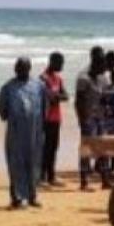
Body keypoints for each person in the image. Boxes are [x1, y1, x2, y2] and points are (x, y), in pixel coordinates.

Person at [0, 58, 46, 210]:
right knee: (16, 164)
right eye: (18, 67)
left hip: (34, 132)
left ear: (29, 69)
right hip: (16, 133)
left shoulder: (39, 86)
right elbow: (1, 108)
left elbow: (44, 107)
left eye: (23, 68)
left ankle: (32, 196)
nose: (20, 70)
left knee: (34, 163)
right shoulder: (8, 87)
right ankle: (17, 198)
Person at [75, 47, 108, 191]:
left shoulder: (102, 78)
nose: (105, 68)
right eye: (103, 64)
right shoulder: (83, 78)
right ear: (95, 62)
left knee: (104, 148)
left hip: (100, 117)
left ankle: (105, 179)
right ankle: (84, 181)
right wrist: (82, 121)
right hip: (88, 118)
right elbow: (79, 101)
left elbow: (105, 96)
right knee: (86, 149)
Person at [39, 52, 68, 187]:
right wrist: (56, 96)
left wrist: (56, 96)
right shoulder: (43, 78)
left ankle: (51, 176)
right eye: (60, 63)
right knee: (45, 148)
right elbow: (49, 97)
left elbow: (65, 96)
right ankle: (41, 177)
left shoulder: (58, 79)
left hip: (56, 118)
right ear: (53, 62)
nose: (62, 66)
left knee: (54, 147)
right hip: (46, 118)